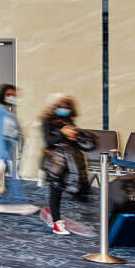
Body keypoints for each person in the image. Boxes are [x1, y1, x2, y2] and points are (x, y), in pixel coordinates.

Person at [40, 95, 97, 235]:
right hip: (56, 164)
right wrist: (62, 133)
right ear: (56, 107)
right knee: (56, 192)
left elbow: (81, 144)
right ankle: (56, 223)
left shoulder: (69, 121)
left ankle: (60, 217)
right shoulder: (47, 122)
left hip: (71, 165)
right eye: (62, 108)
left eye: (67, 108)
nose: (64, 110)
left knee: (78, 192)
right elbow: (49, 141)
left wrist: (76, 136)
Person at [0, 83, 34, 213]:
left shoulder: (8, 112)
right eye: (9, 95)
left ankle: (18, 202)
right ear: (2, 95)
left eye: (14, 95)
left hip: (6, 149)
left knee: (7, 177)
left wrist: (21, 142)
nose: (12, 97)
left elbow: (15, 130)